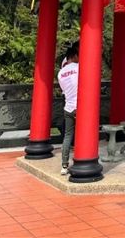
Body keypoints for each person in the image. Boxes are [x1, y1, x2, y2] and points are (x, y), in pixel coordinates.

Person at [57, 43, 79, 175]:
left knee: (67, 136)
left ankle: (64, 165)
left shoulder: (60, 73)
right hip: (81, 107)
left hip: (68, 107)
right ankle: (83, 158)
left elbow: (64, 90)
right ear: (75, 56)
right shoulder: (79, 67)